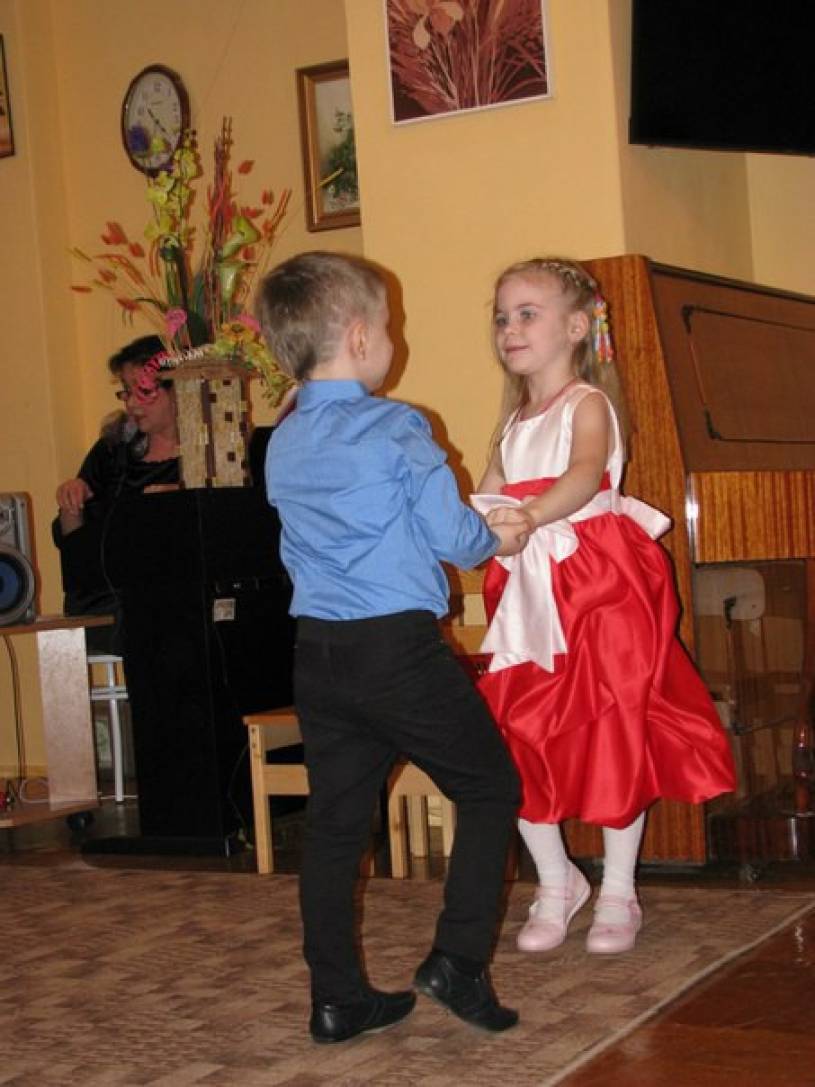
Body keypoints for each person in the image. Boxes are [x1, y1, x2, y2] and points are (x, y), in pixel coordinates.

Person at [256, 251, 530, 1044]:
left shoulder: (282, 438)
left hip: (318, 653)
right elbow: (456, 540)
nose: (392, 340)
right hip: (394, 651)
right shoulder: (397, 425)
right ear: (357, 336)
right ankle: (457, 960)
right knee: (489, 787)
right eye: (388, 326)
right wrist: (498, 534)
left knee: (337, 825)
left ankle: (336, 997)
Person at [474, 257, 737, 956]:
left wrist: (529, 515)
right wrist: (476, 532)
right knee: (516, 731)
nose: (509, 328)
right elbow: (484, 497)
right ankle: (556, 879)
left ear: (575, 327)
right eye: (501, 316)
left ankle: (619, 888)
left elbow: (586, 473)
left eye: (527, 313)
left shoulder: (586, 403)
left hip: (599, 586)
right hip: (529, 591)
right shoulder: (510, 424)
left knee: (615, 725)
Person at [53, 334, 179, 652]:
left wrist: (179, 500)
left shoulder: (211, 453)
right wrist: (71, 501)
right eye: (126, 392)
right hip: (107, 598)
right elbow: (76, 547)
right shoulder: (113, 448)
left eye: (143, 391)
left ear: (178, 388)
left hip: (174, 597)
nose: (132, 404)